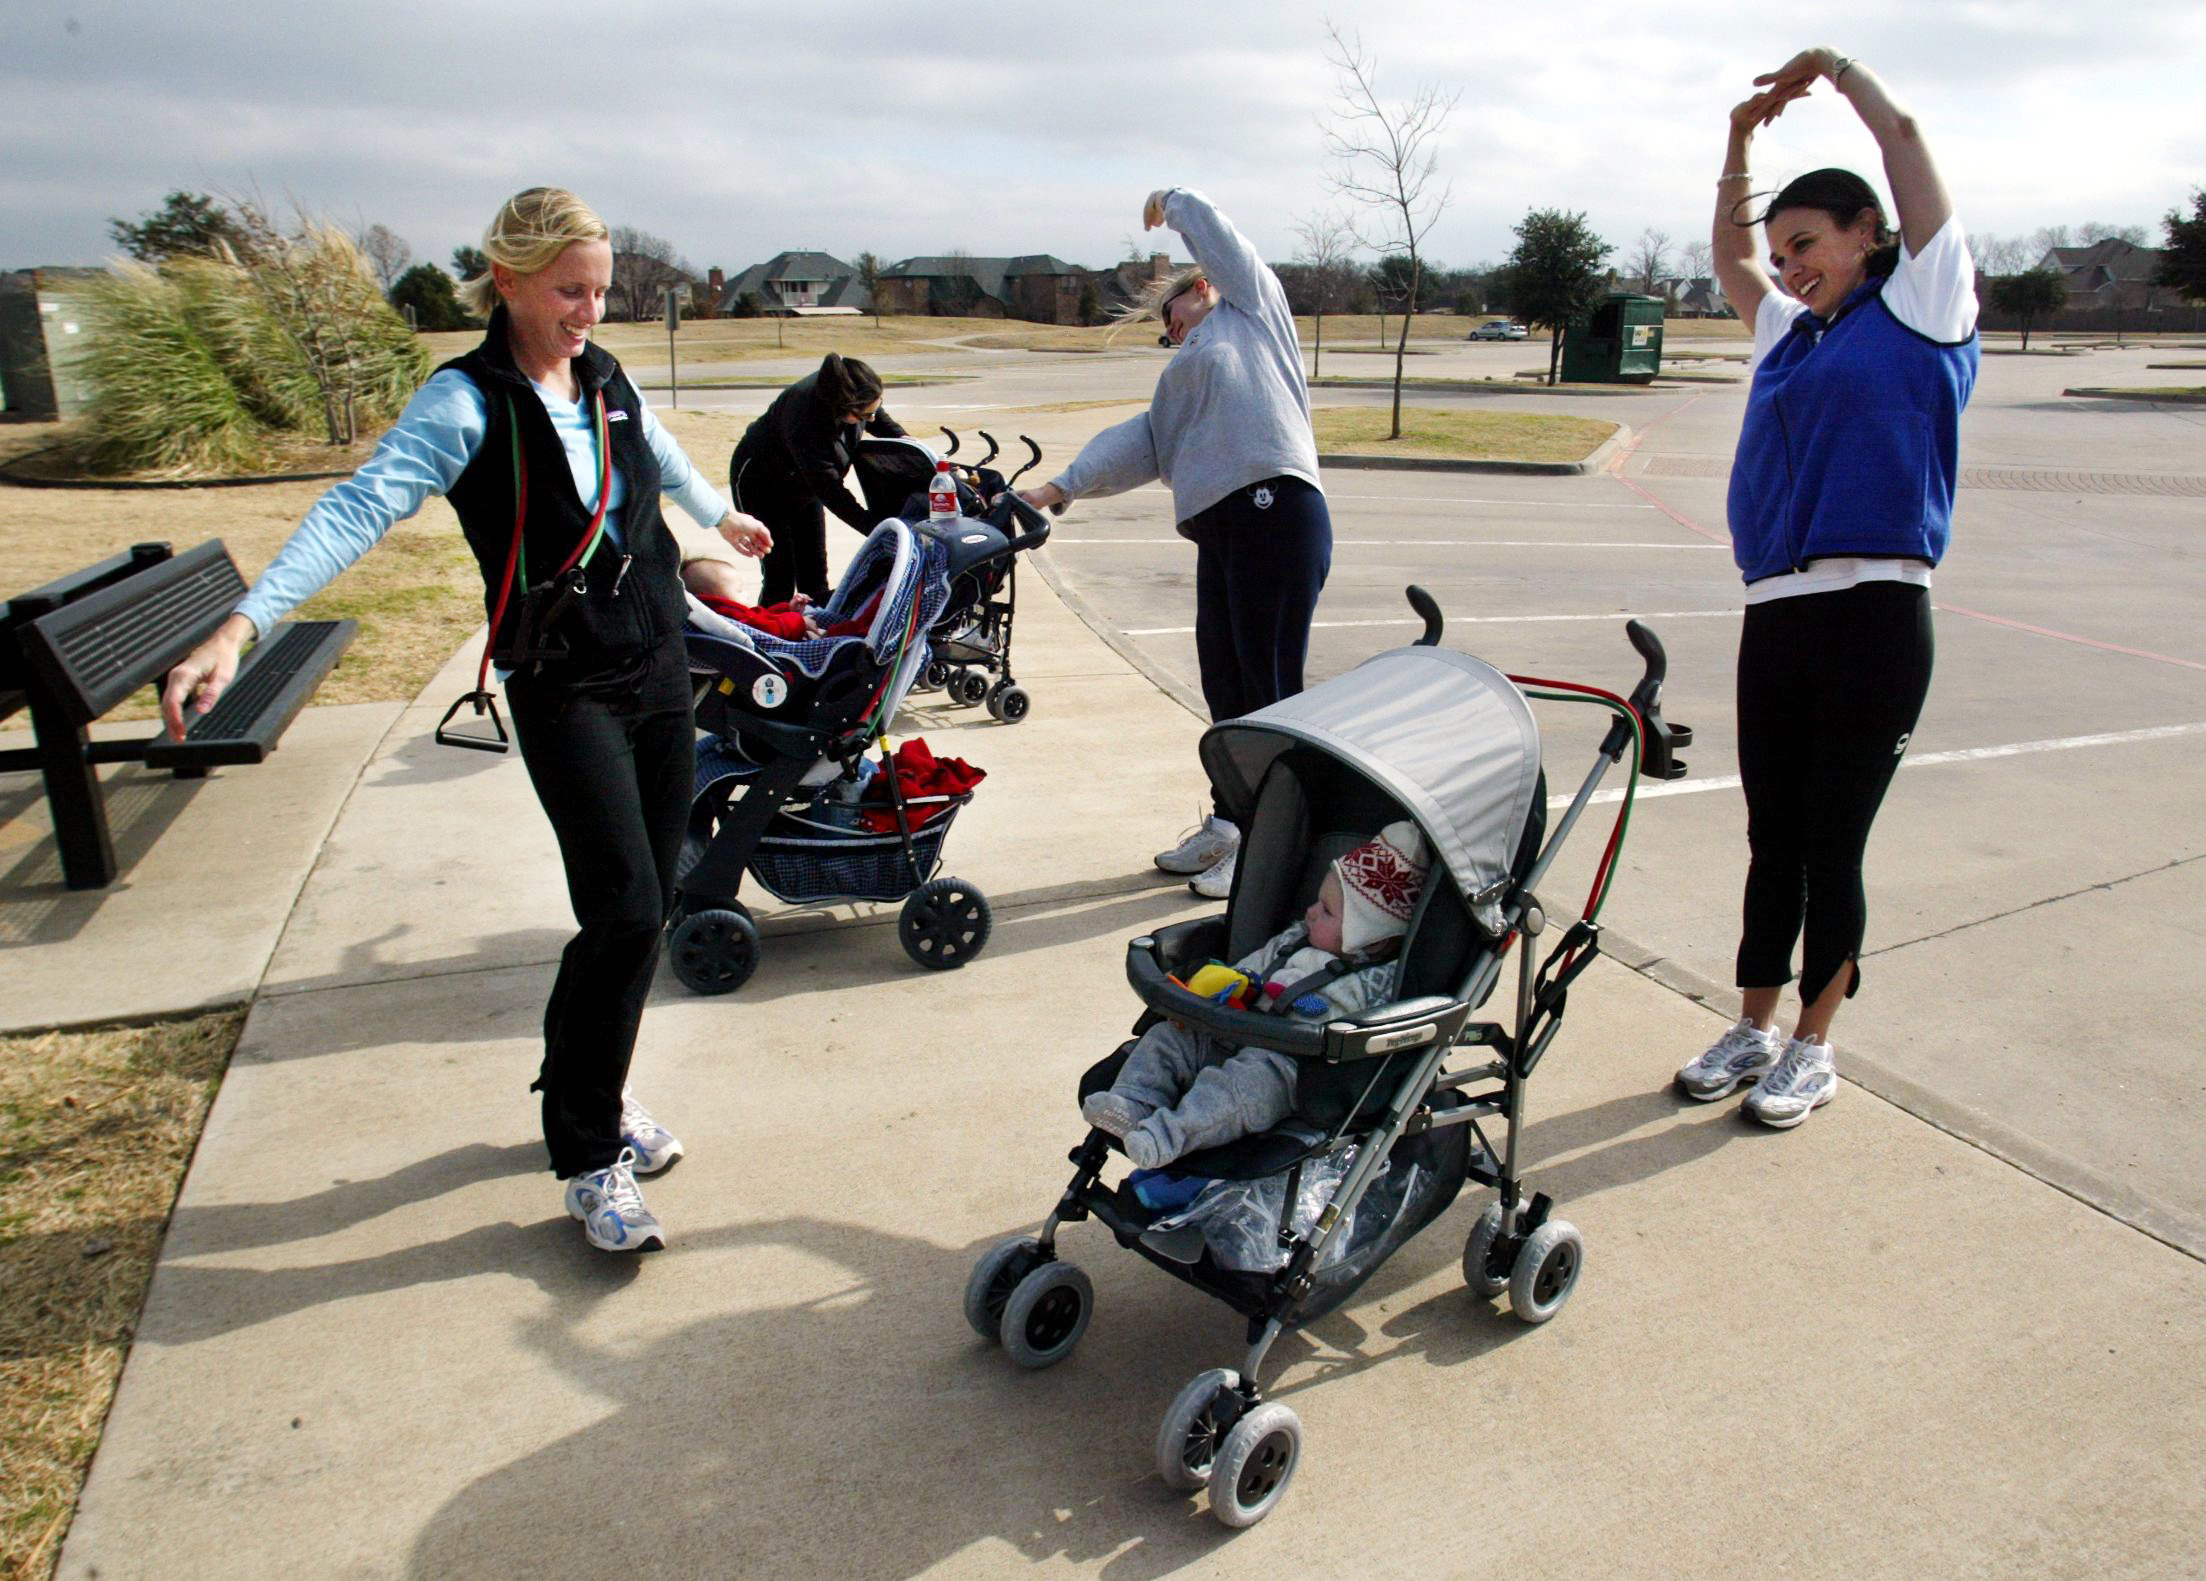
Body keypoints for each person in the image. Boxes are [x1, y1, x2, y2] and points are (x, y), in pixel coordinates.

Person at [160, 187, 775, 1252]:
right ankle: (589, 1155)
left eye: (600, 291)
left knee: (648, 900)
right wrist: (244, 624)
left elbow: (659, 453)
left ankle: (591, 1086)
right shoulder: (466, 403)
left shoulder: (607, 379)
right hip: (566, 686)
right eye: (569, 291)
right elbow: (356, 508)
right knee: (624, 906)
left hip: (660, 665)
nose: (590, 312)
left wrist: (717, 513)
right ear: (509, 280)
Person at [1675, 49, 1979, 1128]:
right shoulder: (1788, 335)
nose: (1789, 266)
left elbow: (1902, 150)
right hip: (1780, 615)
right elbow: (1724, 250)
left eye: (1806, 245)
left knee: (1833, 837)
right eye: (1781, 252)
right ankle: (1751, 1024)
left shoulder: (1926, 306)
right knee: (1773, 836)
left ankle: (1814, 1044)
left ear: (1867, 235)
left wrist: (1834, 73)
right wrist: (1738, 138)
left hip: (1876, 615)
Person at [1019, 187, 1330, 901]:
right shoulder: (1182, 377)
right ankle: (1231, 823)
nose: (1173, 331)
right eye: (1165, 330)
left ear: (1203, 287)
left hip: (1276, 511)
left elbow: (1227, 243)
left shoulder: (1253, 314)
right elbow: (1143, 442)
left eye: (1175, 314)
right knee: (1227, 690)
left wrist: (1176, 202)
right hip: (1221, 531)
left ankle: (1272, 848)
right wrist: (1059, 487)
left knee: (1269, 694)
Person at [1081, 823, 1427, 1167]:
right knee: (1167, 1037)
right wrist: (1216, 995)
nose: (1310, 912)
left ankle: (1168, 1135)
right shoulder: (1293, 940)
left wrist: (1301, 1005)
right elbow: (1246, 971)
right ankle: (1132, 1102)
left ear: (1367, 938)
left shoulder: (1368, 983)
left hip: (1285, 1062)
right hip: (1232, 1028)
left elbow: (1338, 1021)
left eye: (1326, 911)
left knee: (1241, 1088)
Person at [728, 353, 907, 607]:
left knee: (814, 575)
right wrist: (878, 530)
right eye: (865, 416)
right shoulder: (805, 417)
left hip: (804, 485)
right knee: (780, 574)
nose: (872, 419)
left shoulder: (853, 389)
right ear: (843, 407)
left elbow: (882, 423)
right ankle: (769, 639)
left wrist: (912, 446)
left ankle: (813, 635)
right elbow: (832, 492)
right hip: (761, 484)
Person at [680, 556, 821, 639]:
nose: (746, 594)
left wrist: (788, 609)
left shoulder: (729, 615)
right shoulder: (730, 614)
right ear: (715, 598)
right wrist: (799, 622)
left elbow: (761, 617)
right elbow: (767, 628)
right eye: (739, 590)